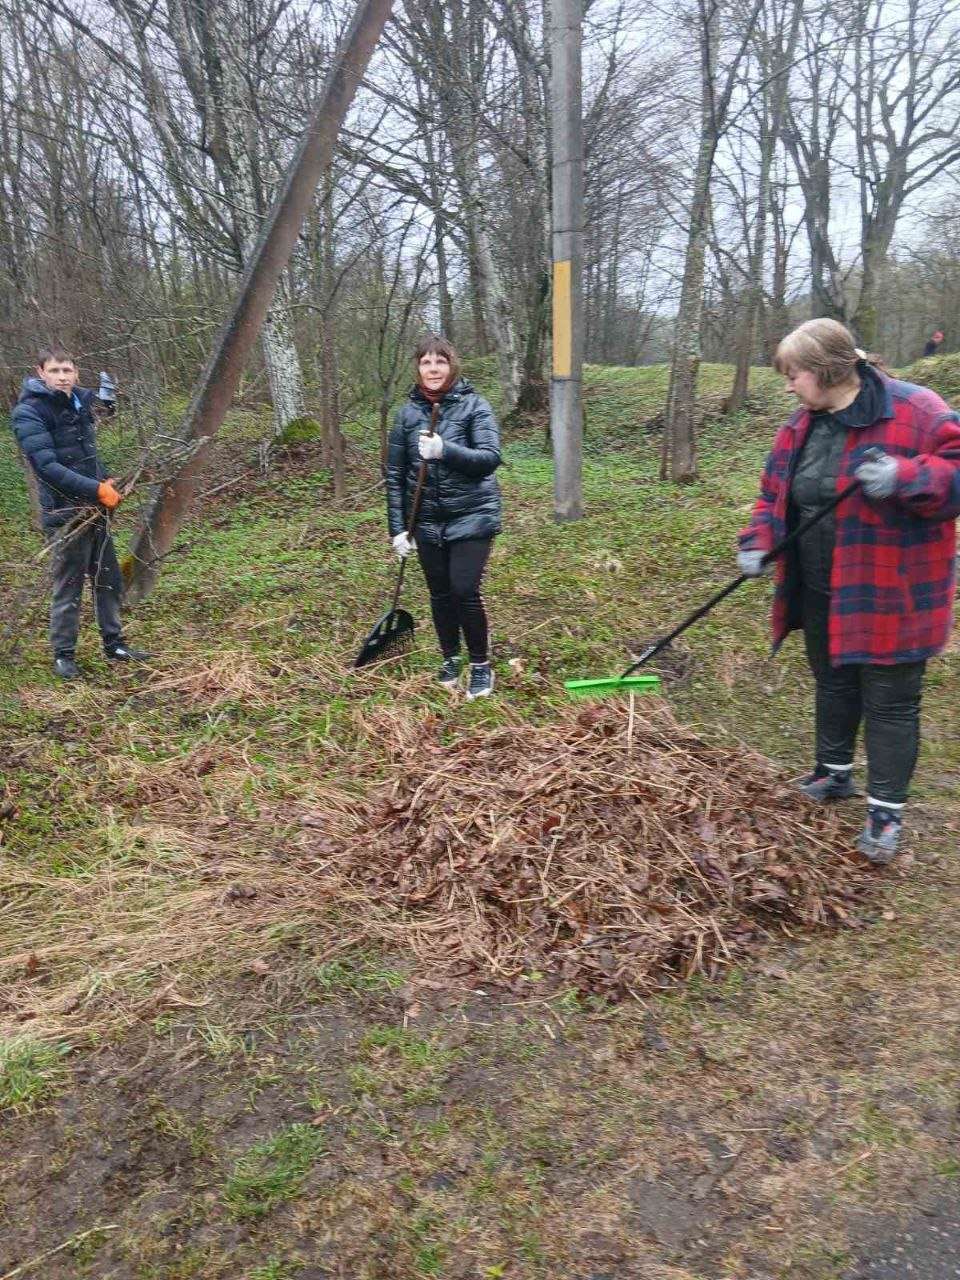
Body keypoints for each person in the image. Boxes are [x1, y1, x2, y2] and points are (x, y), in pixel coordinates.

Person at [738, 318, 960, 863]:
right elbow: (773, 494)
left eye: (793, 374)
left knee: (890, 701)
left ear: (826, 370)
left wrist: (905, 477)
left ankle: (885, 813)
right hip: (819, 583)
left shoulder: (917, 409)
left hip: (892, 589)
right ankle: (833, 771)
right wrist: (759, 541)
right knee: (832, 680)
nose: (788, 385)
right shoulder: (800, 426)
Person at [11, 347, 150, 680]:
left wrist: (104, 478)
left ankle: (114, 644)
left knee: (108, 579)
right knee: (69, 585)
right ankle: (64, 655)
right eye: (55, 371)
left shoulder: (78, 403)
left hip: (95, 510)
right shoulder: (29, 412)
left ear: (76, 373)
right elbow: (47, 466)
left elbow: (86, 453)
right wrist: (95, 489)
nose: (62, 377)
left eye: (67, 370)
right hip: (65, 513)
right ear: (41, 373)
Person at [386, 335, 502, 699]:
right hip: (427, 520)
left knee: (463, 589)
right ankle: (450, 656)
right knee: (439, 593)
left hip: (472, 514)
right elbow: (395, 474)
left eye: (440, 361)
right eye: (426, 362)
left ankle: (480, 664)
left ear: (452, 366)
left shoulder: (475, 406)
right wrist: (398, 530)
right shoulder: (406, 415)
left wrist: (444, 450)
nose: (433, 369)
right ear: (418, 368)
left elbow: (489, 458)